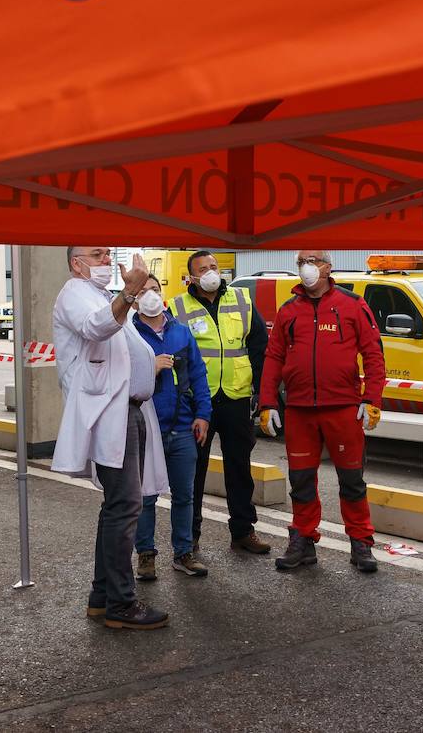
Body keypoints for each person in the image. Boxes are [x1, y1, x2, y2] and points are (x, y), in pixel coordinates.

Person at [53, 247, 170, 630]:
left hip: (127, 412)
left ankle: (103, 596)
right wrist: (129, 294)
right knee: (124, 506)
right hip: (109, 415)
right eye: (97, 255)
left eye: (107, 254)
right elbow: (96, 328)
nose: (106, 260)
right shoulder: (74, 293)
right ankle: (122, 602)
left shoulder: (100, 295)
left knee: (117, 507)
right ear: (76, 262)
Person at [257, 250, 387, 574]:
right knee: (300, 480)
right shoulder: (288, 310)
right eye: (301, 261)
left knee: (352, 480)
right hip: (300, 410)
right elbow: (273, 358)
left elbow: (373, 353)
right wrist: (267, 402)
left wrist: (372, 399)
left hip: (343, 409)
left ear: (328, 267)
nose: (306, 267)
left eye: (313, 260)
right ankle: (302, 539)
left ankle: (361, 543)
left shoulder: (352, 304)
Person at [168, 250, 271, 555]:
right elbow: (174, 354)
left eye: (214, 266)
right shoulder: (178, 307)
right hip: (198, 402)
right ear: (192, 277)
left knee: (239, 468)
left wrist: (259, 389)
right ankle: (191, 534)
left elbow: (258, 344)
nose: (211, 272)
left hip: (235, 397)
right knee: (193, 471)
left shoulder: (240, 299)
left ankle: (243, 531)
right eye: (203, 268)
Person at [133, 274, 212, 581]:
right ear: (134, 298)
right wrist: (149, 367)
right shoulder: (130, 333)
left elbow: (199, 375)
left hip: (182, 428)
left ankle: (183, 553)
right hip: (147, 429)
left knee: (184, 495)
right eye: (143, 291)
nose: (150, 295)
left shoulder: (180, 332)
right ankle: (146, 555)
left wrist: (203, 414)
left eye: (154, 289)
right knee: (145, 497)